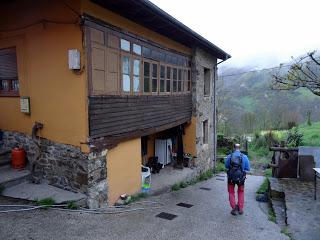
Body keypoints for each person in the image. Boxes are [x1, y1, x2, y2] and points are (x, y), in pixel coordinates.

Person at [225, 143, 250, 215]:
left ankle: (234, 208)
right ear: (240, 148)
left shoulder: (229, 156)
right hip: (241, 178)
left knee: (231, 192)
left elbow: (226, 166)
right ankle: (240, 209)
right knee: (241, 192)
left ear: (234, 148)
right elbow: (247, 168)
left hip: (231, 178)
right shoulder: (244, 157)